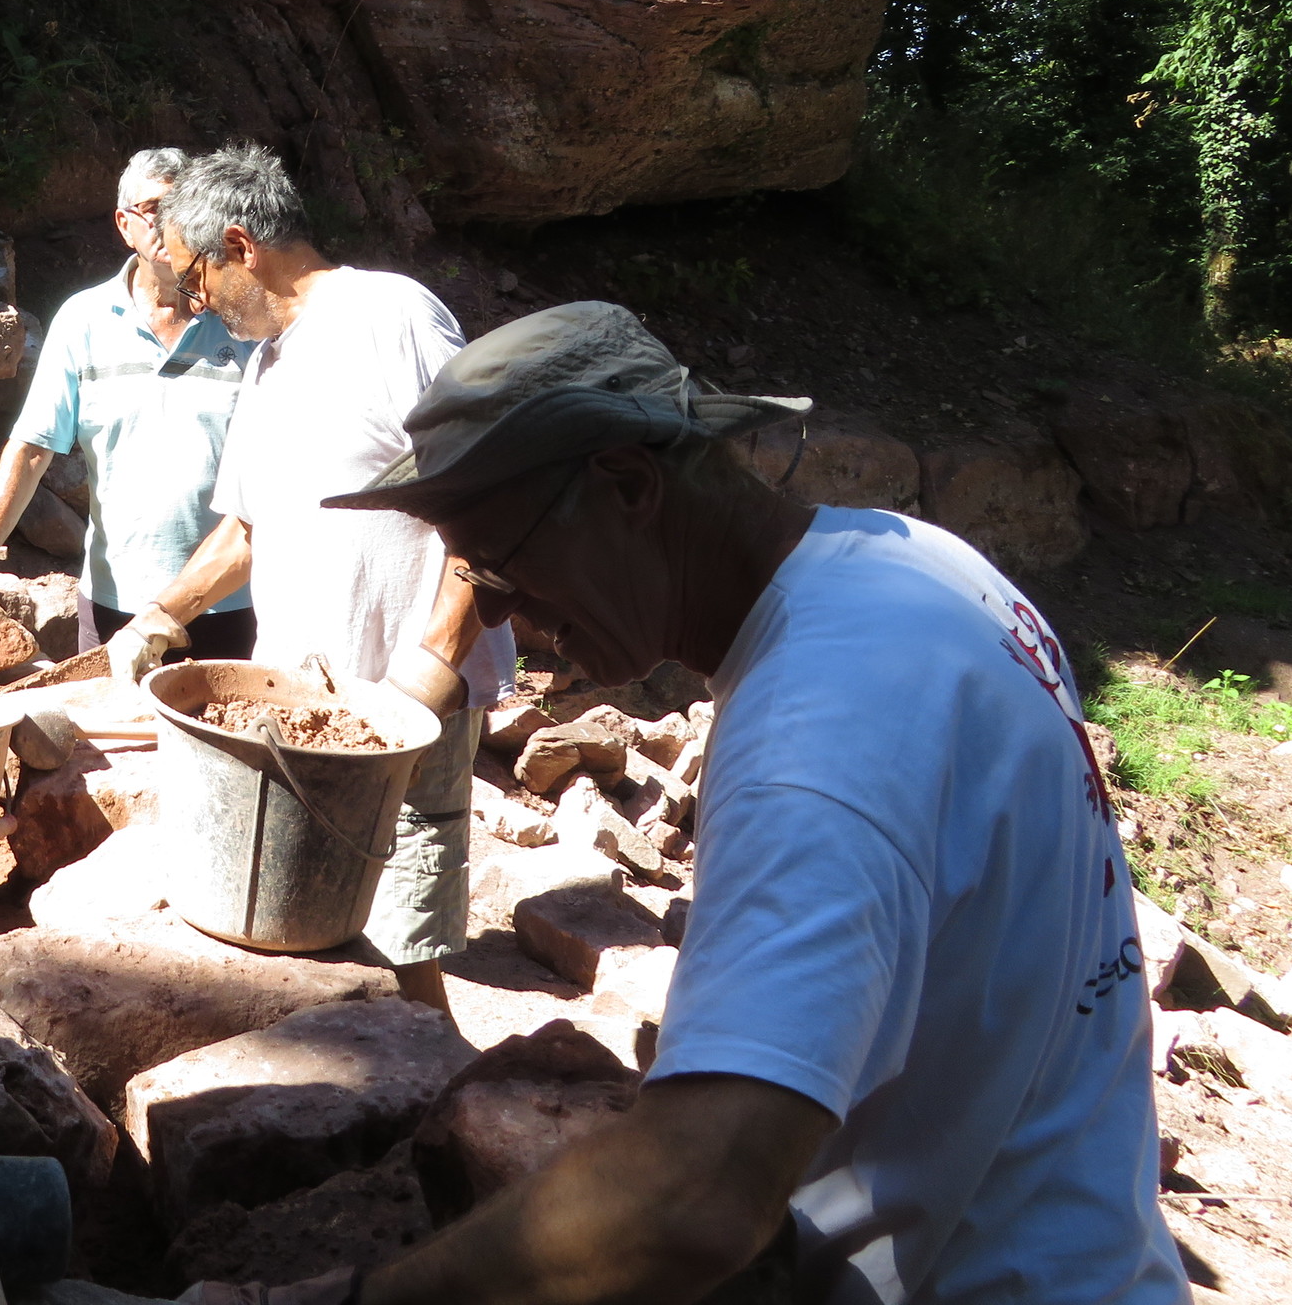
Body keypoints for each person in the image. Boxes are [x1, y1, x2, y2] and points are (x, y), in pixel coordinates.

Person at [200, 300, 1182, 1304]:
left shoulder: (818, 735)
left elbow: (695, 1198)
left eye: (500, 565)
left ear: (628, 486)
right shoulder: (916, 564)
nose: (498, 613)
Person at [119, 142, 516, 1010]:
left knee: (400, 943)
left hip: (404, 705)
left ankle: (435, 1077)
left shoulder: (391, 316)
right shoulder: (267, 361)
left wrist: (428, 675)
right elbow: (246, 528)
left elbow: (493, 498)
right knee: (308, 934)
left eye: (193, 277)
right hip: (303, 711)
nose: (193, 301)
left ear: (239, 246)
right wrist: (160, 614)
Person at [0, 149, 260, 656]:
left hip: (230, 600)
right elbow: (32, 448)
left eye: (181, 207)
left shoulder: (243, 321)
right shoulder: (83, 321)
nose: (168, 223)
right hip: (115, 601)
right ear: (125, 225)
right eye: (153, 209)